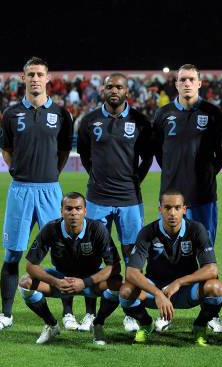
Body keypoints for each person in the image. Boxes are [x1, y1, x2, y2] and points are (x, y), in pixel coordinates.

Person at [0, 57, 73, 332]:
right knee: (13, 253)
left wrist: (51, 176)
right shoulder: (12, 114)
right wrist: (18, 171)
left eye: (39, 74)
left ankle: (69, 314)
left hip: (50, 190)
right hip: (20, 191)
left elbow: (63, 152)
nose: (35, 78)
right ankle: (6, 314)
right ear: (22, 78)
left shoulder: (61, 114)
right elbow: (6, 149)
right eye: (30, 74)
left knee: (62, 254)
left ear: (48, 78)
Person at [152, 64, 222, 334]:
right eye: (182, 79)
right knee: (171, 257)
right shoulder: (163, 115)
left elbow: (221, 154)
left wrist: (204, 174)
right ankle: (166, 312)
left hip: (204, 196)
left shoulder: (213, 113)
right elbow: (160, 154)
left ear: (200, 83)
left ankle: (212, 314)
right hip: (173, 201)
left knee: (207, 258)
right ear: (176, 84)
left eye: (191, 79)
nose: (186, 83)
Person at [77, 73, 152, 333]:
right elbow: (85, 156)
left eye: (119, 86)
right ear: (102, 90)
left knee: (132, 256)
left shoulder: (140, 121)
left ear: (127, 92)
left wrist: (134, 181)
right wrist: (98, 178)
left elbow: (147, 156)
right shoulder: (89, 121)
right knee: (92, 255)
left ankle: (130, 312)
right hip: (97, 198)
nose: (114, 90)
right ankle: (89, 313)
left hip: (130, 200)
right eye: (109, 86)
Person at [118, 190, 222, 346]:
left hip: (186, 291)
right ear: (160, 209)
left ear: (184, 209)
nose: (172, 213)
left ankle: (200, 326)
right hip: (155, 290)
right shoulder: (148, 232)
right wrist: (157, 293)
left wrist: (179, 282)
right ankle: (145, 323)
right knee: (126, 291)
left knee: (216, 288)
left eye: (177, 207)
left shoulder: (196, 229)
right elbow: (131, 272)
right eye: (167, 208)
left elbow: (212, 269)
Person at [17, 192, 122, 345]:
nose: (73, 213)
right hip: (61, 280)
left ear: (85, 211)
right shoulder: (51, 229)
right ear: (61, 211)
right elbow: (31, 266)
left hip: (90, 281)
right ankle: (51, 325)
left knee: (118, 283)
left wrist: (85, 282)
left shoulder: (97, 229)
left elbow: (114, 266)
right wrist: (56, 282)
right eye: (69, 209)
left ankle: (98, 324)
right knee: (26, 283)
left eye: (78, 209)